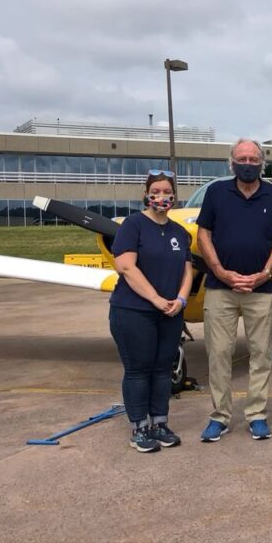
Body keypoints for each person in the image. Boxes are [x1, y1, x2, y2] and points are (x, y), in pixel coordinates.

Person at [196, 139, 272, 442]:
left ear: (262, 162)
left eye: (253, 158)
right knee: (219, 354)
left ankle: (257, 414)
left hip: (261, 290)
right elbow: (204, 233)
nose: (247, 163)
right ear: (231, 162)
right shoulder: (216, 192)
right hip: (220, 288)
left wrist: (265, 273)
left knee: (261, 353)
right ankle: (220, 416)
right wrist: (220, 271)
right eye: (242, 158)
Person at [109, 170, 193, 452]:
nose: (161, 196)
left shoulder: (179, 232)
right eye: (155, 191)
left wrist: (180, 300)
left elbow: (187, 270)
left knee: (161, 369)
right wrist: (156, 299)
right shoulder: (132, 226)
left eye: (167, 191)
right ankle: (139, 428)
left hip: (170, 313)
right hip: (134, 311)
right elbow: (126, 267)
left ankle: (160, 422)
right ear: (145, 194)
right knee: (138, 369)